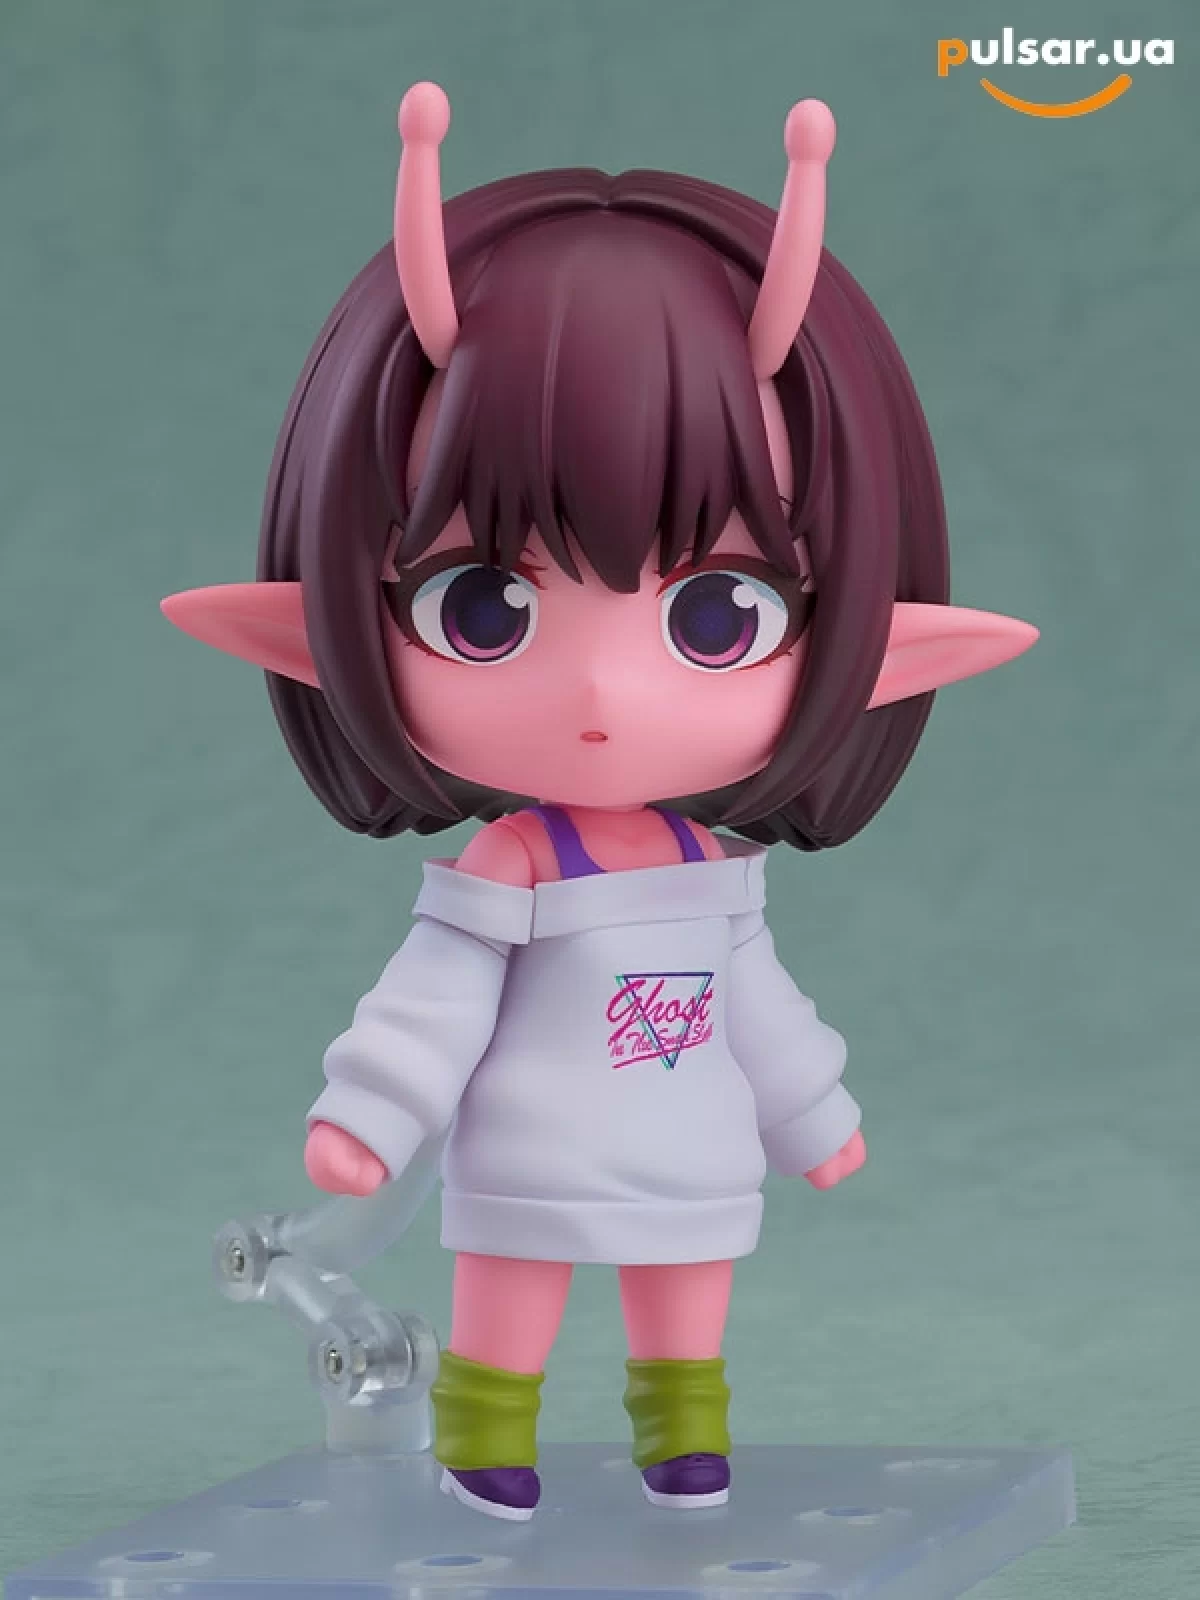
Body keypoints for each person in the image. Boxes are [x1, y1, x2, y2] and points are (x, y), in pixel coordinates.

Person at [162, 83, 1037, 1522]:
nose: (602, 690)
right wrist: (370, 1116)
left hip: (691, 1147)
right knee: (508, 1291)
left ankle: (683, 1440)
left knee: (685, 1298)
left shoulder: (708, 866)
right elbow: (431, 1001)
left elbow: (758, 1002)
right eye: (482, 605)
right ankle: (485, 1441)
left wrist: (813, 1113)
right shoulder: (515, 860)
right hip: (529, 1144)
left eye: (718, 615)